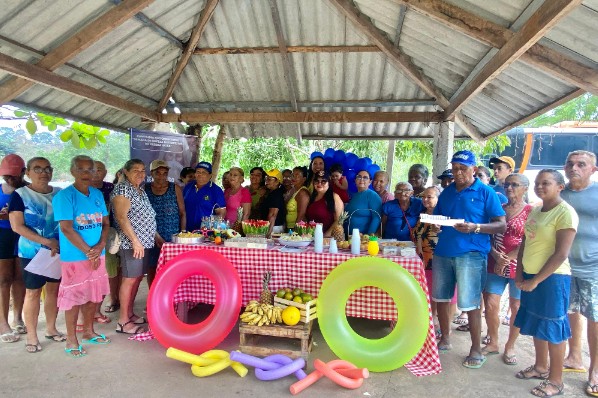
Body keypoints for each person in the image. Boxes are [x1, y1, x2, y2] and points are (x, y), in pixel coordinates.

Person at [432, 150, 506, 369]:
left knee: (471, 303)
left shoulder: (485, 192)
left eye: (463, 168)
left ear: (474, 169)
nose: (458, 173)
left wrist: (476, 227)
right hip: (444, 252)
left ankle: (475, 349)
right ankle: (445, 338)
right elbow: (440, 216)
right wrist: (436, 222)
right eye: (455, 168)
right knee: (442, 298)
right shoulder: (446, 192)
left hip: (471, 255)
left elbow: (501, 224)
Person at [514, 169, 578, 397]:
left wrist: (537, 280)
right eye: (538, 183)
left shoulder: (565, 213)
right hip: (530, 276)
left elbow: (561, 254)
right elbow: (525, 243)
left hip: (553, 279)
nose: (540, 186)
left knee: (553, 328)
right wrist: (520, 273)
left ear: (560, 186)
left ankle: (556, 380)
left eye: (546, 183)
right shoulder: (536, 210)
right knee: (536, 322)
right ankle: (541, 367)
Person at [53, 155, 111, 357]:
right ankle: (71, 338)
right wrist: (88, 251)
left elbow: (105, 223)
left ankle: (88, 331)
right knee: (74, 298)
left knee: (93, 295)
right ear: (73, 171)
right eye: (82, 169)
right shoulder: (64, 196)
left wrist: (101, 245)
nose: (86, 174)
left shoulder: (96, 194)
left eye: (90, 170)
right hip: (76, 258)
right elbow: (67, 229)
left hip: (98, 253)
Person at [8, 157, 65, 353]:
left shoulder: (59, 193)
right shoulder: (20, 195)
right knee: (32, 293)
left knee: (53, 291)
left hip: (57, 251)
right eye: (38, 169)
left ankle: (51, 328)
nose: (43, 172)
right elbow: (17, 226)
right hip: (32, 253)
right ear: (28, 173)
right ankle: (31, 336)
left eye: (47, 168)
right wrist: (46, 241)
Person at [483, 173, 532, 365]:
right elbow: (487, 235)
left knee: (516, 307)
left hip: (519, 264)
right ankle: (493, 341)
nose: (509, 188)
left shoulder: (531, 212)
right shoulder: (498, 210)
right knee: (491, 304)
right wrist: (496, 255)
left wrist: (509, 258)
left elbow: (531, 239)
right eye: (508, 184)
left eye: (515, 185)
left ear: (525, 189)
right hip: (495, 262)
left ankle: (510, 346)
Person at [560, 150, 598, 397]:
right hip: (563, 266)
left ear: (593, 170)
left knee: (594, 318)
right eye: (570, 164)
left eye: (581, 165)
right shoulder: (559, 193)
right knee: (571, 311)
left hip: (593, 268)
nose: (574, 168)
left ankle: (595, 371)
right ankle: (574, 356)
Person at [111, 159, 156, 335]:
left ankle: (129, 313)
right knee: (129, 279)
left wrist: (155, 237)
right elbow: (122, 218)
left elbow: (147, 216)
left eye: (143, 170)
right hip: (132, 244)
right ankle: (122, 322)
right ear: (126, 172)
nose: (140, 173)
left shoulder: (140, 190)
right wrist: (136, 241)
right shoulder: (123, 189)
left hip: (144, 243)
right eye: (135, 170)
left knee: (136, 278)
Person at [145, 160, 185, 288]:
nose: (161, 176)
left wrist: (182, 235)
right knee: (152, 268)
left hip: (172, 237)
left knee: (171, 268)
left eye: (165, 173)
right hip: (151, 236)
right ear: (151, 173)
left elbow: (182, 213)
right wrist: (155, 236)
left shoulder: (175, 188)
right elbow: (143, 216)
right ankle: (152, 298)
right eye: (158, 173)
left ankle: (169, 297)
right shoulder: (144, 189)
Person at [0, 154, 27, 342]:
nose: (9, 179)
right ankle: (3, 322)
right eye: (6, 176)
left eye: (14, 176)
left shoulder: (28, 191)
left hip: (24, 237)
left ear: (23, 173)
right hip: (2, 237)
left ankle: (18, 317)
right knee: (3, 280)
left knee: (20, 278)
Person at [413, 186, 443, 338]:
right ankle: (426, 321)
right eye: (424, 197)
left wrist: (441, 230)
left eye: (430, 197)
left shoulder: (444, 217)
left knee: (434, 294)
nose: (425, 199)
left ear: (438, 198)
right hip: (420, 260)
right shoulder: (422, 215)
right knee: (424, 292)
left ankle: (435, 323)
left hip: (435, 260)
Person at [183, 161, 225, 231]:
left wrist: (213, 230)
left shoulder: (216, 190)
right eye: (198, 172)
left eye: (204, 172)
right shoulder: (188, 187)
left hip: (206, 233)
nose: (200, 174)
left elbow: (221, 213)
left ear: (210, 175)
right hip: (187, 232)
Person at [305, 170, 344, 236]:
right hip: (310, 238)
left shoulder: (334, 197)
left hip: (328, 239)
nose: (319, 184)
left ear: (329, 183)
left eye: (323, 181)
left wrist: (324, 236)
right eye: (316, 181)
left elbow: (338, 221)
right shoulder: (312, 197)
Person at [344, 170, 382, 235]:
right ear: (355, 180)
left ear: (370, 182)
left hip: (363, 239)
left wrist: (368, 236)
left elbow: (376, 218)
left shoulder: (373, 196)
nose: (361, 179)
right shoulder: (353, 195)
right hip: (347, 237)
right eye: (359, 177)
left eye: (365, 177)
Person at [260, 169, 286, 237]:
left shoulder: (276, 194)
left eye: (269, 179)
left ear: (277, 181)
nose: (266, 181)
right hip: (272, 227)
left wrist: (267, 235)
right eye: (266, 178)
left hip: (274, 229)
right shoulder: (272, 193)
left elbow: (272, 215)